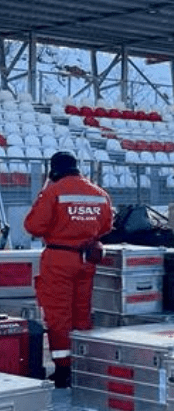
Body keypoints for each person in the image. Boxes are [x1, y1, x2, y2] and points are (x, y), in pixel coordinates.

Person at [24, 151, 112, 389]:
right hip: (86, 260)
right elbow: (106, 225)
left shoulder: (53, 192)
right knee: (82, 313)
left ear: (54, 170)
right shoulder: (99, 193)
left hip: (59, 259)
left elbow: (33, 226)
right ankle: (83, 365)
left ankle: (64, 371)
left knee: (59, 316)